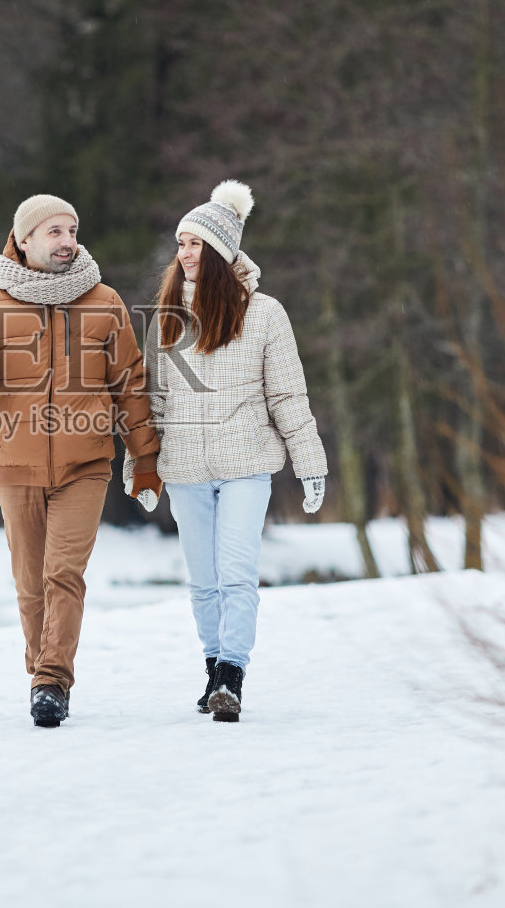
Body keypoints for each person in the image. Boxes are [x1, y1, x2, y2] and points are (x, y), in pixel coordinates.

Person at [0, 194, 162, 728]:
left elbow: (130, 382)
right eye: (54, 232)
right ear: (25, 240)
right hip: (16, 465)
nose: (67, 241)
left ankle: (51, 681)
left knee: (64, 573)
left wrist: (145, 455)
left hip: (86, 464)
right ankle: (39, 668)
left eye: (73, 230)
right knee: (29, 582)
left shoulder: (103, 302)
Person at [125, 180, 328, 722]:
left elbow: (288, 395)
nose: (184, 254)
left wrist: (310, 464)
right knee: (203, 582)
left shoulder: (264, 315)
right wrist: (141, 469)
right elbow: (152, 402)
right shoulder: (167, 317)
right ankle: (214, 667)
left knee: (236, 573)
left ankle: (232, 674)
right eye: (180, 244)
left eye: (193, 244)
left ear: (219, 250)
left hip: (245, 467)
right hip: (186, 468)